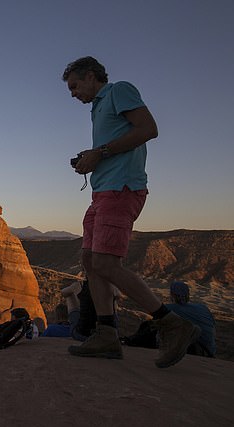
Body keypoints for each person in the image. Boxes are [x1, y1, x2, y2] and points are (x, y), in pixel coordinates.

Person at [62, 56, 200, 368]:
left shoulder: (118, 91)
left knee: (106, 263)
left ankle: (171, 323)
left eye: (74, 86)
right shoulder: (98, 108)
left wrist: (101, 152)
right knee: (89, 261)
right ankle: (107, 335)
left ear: (91, 76)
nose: (72, 94)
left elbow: (149, 129)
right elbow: (112, 144)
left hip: (121, 189)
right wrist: (91, 156)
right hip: (102, 192)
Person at [166, 281, 216, 358]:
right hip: (210, 351)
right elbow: (213, 326)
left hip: (196, 352)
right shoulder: (203, 307)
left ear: (172, 294)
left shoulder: (170, 308)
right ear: (188, 294)